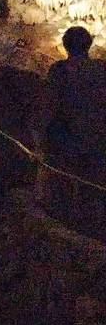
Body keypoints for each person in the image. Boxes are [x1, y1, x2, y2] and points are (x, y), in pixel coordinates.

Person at [40, 25, 106, 233]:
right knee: (94, 189)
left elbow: (49, 106)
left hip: (68, 139)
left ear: (66, 46)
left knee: (65, 186)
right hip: (98, 139)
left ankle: (65, 230)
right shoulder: (101, 69)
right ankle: (93, 229)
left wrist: (42, 134)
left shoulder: (59, 71)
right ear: (89, 45)